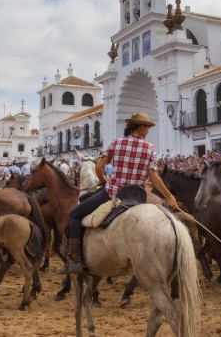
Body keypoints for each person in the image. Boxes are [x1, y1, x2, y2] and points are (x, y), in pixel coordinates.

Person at [58, 113, 178, 275]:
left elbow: (99, 167)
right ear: (141, 127)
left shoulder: (117, 143)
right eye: (147, 128)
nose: (148, 131)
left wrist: (103, 180)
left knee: (74, 215)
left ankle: (76, 259)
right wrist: (169, 197)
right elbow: (154, 177)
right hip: (137, 197)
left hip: (113, 194)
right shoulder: (149, 148)